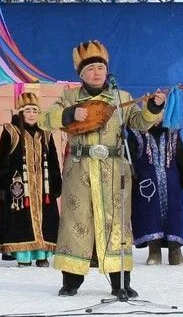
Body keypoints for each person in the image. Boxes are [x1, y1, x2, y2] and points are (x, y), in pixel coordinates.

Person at [38, 40, 165, 298]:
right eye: (90, 69)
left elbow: (140, 123)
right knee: (77, 222)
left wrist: (154, 107)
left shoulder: (122, 97)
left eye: (100, 67)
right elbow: (44, 120)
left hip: (114, 170)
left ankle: (121, 283)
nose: (96, 72)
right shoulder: (70, 97)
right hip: (80, 170)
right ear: (81, 74)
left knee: (116, 224)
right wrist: (70, 115)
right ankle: (71, 281)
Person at [0, 92, 62, 267]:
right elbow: (2, 160)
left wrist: (56, 182)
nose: (31, 114)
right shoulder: (11, 131)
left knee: (46, 219)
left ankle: (41, 254)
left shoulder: (46, 133)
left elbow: (53, 161)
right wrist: (2, 184)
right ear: (21, 113)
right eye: (27, 110)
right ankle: (23, 256)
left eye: (34, 111)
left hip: (42, 187)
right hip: (19, 187)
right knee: (20, 220)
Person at [128, 121, 183, 266]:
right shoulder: (136, 134)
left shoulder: (173, 134)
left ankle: (175, 251)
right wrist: (132, 180)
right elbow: (129, 159)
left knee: (174, 215)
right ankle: (154, 251)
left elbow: (181, 156)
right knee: (150, 215)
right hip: (147, 186)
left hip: (172, 184)